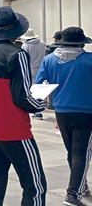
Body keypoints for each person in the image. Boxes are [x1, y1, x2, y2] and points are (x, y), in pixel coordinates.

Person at [0, 6, 47, 206]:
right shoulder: (17, 54)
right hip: (15, 131)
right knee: (35, 185)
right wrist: (39, 103)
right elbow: (22, 97)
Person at [35, 27, 92, 206]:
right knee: (81, 152)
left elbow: (39, 87)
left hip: (61, 112)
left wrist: (37, 104)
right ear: (82, 43)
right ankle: (73, 194)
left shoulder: (49, 60)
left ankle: (81, 186)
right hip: (86, 112)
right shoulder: (89, 60)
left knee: (72, 152)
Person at [19, 29, 47, 120]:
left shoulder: (25, 45)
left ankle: (37, 112)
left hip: (31, 70)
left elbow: (25, 59)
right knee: (40, 90)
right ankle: (39, 109)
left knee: (31, 91)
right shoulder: (42, 43)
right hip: (42, 69)